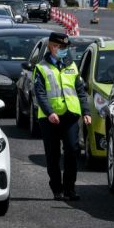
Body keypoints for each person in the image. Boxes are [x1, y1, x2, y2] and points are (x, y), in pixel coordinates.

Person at [33, 31, 90, 201]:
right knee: (53, 154)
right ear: (52, 47)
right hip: (49, 118)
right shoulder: (41, 68)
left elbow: (80, 91)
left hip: (70, 115)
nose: (63, 50)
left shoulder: (72, 66)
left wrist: (86, 112)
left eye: (65, 47)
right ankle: (57, 189)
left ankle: (70, 189)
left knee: (72, 151)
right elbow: (40, 93)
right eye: (60, 47)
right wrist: (50, 112)